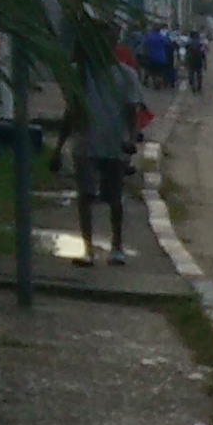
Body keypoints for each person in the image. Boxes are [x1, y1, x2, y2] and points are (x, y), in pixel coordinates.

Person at [64, 45, 144, 265]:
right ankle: (88, 249)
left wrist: (131, 138)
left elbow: (132, 111)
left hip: (114, 144)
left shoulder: (126, 74)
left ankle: (116, 246)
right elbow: (71, 109)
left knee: (114, 198)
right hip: (85, 144)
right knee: (86, 196)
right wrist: (59, 146)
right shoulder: (80, 72)